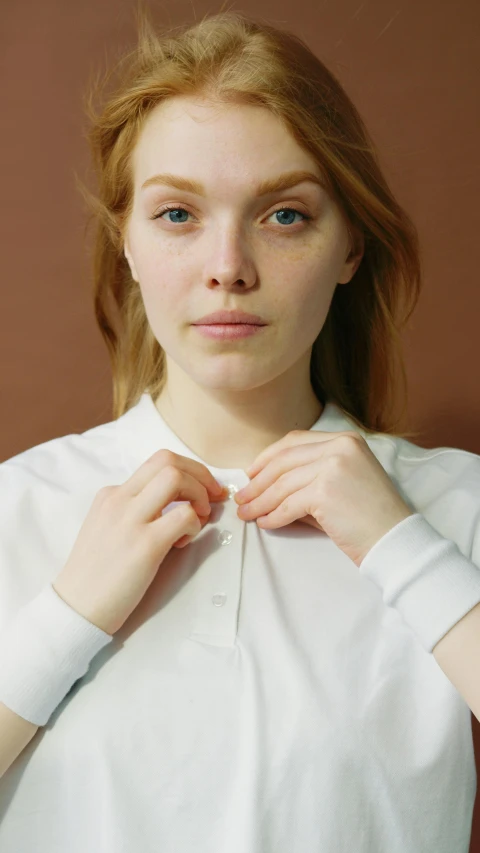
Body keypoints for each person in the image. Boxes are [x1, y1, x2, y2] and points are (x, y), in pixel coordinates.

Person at [0, 8, 479, 852]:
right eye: (178, 214)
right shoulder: (21, 506)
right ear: (128, 244)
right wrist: (67, 615)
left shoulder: (458, 507)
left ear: (350, 247)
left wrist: (405, 547)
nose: (229, 265)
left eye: (284, 214)